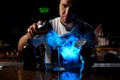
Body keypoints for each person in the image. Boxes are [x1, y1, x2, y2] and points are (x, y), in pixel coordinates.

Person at [18, 0, 96, 71]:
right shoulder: (48, 27)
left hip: (78, 73)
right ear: (59, 4)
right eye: (64, 6)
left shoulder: (87, 30)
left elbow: (91, 59)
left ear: (78, 10)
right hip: (51, 74)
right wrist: (31, 34)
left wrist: (86, 54)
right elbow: (20, 48)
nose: (67, 12)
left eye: (72, 8)